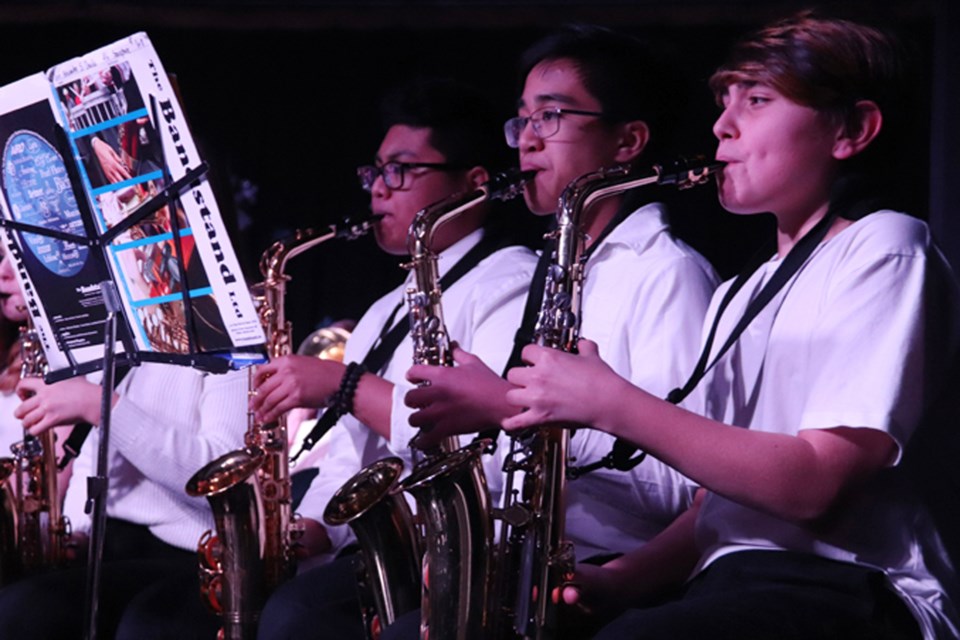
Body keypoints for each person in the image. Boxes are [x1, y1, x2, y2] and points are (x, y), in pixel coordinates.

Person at [502, 12, 960, 639]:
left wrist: (610, 402)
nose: (722, 124)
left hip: (855, 586)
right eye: (724, 100)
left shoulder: (886, 245)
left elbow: (814, 486)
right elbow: (715, 508)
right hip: (732, 582)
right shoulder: (736, 294)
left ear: (852, 129)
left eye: (758, 99)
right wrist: (618, 582)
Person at [400, 20, 717, 602]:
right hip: (525, 563)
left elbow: (678, 487)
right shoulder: (556, 267)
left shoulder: (668, 273)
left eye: (550, 116)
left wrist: (510, 410)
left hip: (609, 577)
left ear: (628, 142)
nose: (525, 139)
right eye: (521, 119)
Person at [252, 78, 538, 640]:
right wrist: (305, 531)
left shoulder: (512, 279)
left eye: (400, 171)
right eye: (375, 171)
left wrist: (346, 385)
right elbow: (348, 466)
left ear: (475, 184)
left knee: (296, 621)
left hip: (458, 556)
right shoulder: (385, 307)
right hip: (376, 550)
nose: (378, 190)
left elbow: (485, 445)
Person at [0, 356, 248, 639]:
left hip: (199, 554)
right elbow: (93, 452)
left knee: (149, 627)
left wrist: (99, 405)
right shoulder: (119, 326)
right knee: (20, 610)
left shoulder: (228, 339)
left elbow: (226, 481)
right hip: (109, 541)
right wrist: (79, 532)